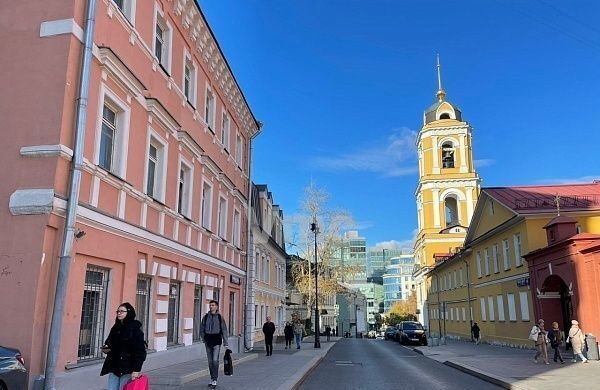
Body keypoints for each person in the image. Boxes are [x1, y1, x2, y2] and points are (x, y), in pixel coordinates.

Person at [101, 302, 147, 390]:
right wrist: (106, 348)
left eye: (122, 311)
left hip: (127, 368)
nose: (119, 313)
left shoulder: (135, 329)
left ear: (129, 313)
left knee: (124, 388)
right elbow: (108, 342)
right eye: (118, 311)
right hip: (114, 366)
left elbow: (140, 352)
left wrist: (136, 370)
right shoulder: (115, 328)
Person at [200, 300, 230, 387]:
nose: (211, 307)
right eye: (210, 305)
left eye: (213, 305)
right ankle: (212, 378)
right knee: (210, 361)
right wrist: (204, 338)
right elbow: (202, 328)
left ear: (216, 307)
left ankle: (215, 379)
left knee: (215, 360)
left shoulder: (220, 317)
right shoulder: (205, 317)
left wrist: (225, 343)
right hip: (208, 340)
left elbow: (224, 330)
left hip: (217, 340)